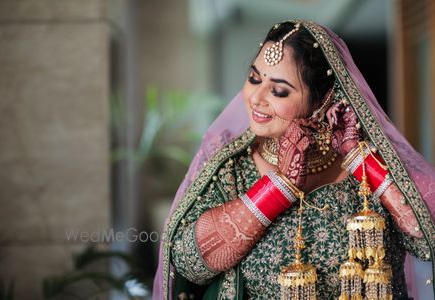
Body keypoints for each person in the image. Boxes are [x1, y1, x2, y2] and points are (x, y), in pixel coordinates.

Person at [153, 20, 435, 299]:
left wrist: (361, 159)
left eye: (279, 91)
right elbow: (188, 262)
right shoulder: (231, 168)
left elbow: (427, 239)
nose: (256, 98)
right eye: (254, 78)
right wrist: (278, 188)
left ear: (323, 100)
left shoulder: (367, 168)